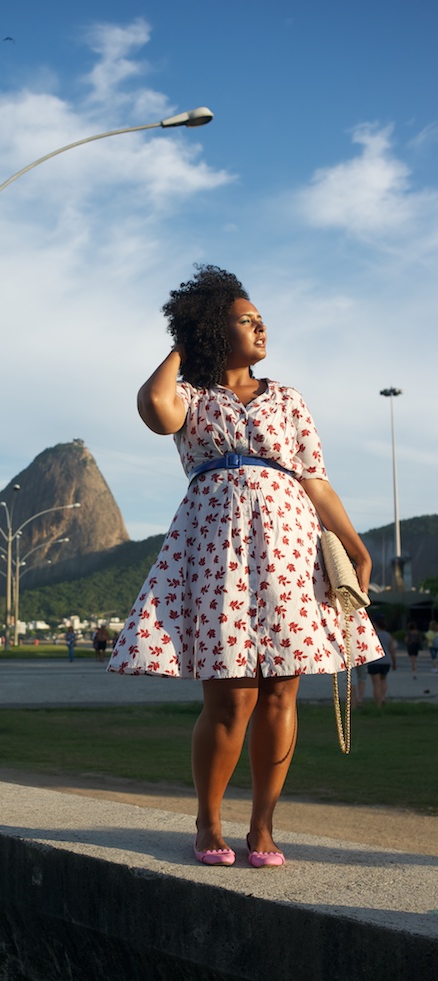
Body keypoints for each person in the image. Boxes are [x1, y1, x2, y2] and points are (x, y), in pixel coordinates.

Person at [108, 265, 382, 868]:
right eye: (246, 320)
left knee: (281, 694)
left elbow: (315, 480)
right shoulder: (192, 394)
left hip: (289, 546)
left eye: (262, 321)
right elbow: (155, 408)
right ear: (214, 328)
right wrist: (188, 343)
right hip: (218, 548)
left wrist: (355, 545)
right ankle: (208, 822)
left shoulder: (288, 398)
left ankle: (262, 826)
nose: (261, 329)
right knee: (231, 698)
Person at [365, 616, 397, 708]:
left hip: (374, 661)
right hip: (386, 661)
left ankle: (378, 703)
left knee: (376, 684)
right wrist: (394, 662)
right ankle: (382, 697)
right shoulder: (388, 635)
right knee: (383, 680)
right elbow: (392, 650)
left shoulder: (371, 635)